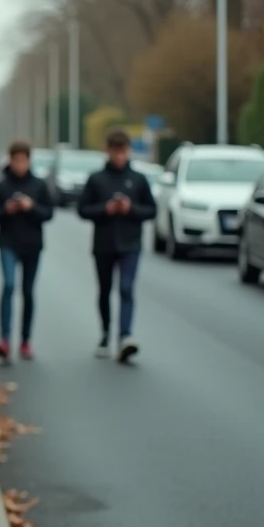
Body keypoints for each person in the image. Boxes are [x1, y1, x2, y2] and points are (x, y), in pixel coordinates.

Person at [77, 129, 156, 363]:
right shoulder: (97, 179)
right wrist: (105, 209)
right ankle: (105, 334)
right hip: (104, 244)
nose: (119, 156)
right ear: (108, 151)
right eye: (115, 152)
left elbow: (151, 210)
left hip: (131, 243)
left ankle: (125, 336)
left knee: (126, 288)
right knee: (104, 290)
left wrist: (131, 209)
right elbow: (83, 209)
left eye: (123, 152)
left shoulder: (138, 179)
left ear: (128, 151)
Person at [0, 140, 54, 362]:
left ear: (29, 161)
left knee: (28, 292)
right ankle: (4, 339)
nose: (20, 165)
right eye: (16, 160)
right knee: (8, 286)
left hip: (32, 244)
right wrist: (7, 209)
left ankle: (25, 340)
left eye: (23, 161)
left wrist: (31, 207)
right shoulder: (1, 186)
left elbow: (48, 213)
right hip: (8, 243)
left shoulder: (39, 185)